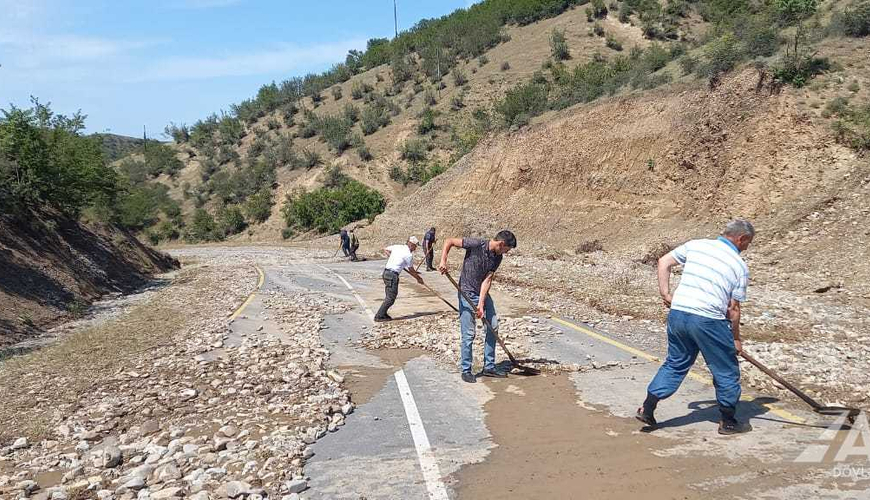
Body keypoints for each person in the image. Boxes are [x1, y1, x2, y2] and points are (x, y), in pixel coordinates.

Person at [637, 219, 755, 436]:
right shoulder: (739, 266)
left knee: (675, 363)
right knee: (725, 369)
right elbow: (733, 309)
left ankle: (648, 408)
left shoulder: (696, 245)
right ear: (742, 238)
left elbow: (663, 262)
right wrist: (736, 339)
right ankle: (728, 421)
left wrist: (666, 294)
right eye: (748, 243)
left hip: (679, 314)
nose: (747, 248)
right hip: (709, 320)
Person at [439, 230, 517, 383]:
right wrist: (443, 261)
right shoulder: (476, 244)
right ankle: (466, 370)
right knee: (468, 333)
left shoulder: (497, 257)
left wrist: (481, 304)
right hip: (465, 292)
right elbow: (449, 241)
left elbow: (487, 280)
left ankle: (489, 367)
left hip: (481, 294)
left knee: (492, 326)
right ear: (501, 244)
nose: (506, 253)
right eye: (507, 249)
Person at [374, 236, 424, 322]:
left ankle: (383, 313)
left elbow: (386, 249)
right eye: (415, 246)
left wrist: (394, 258)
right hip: (392, 275)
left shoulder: (398, 247)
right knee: (391, 297)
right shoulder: (408, 255)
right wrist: (418, 279)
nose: (415, 248)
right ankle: (379, 316)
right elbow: (411, 270)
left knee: (389, 296)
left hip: (386, 273)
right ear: (411, 244)